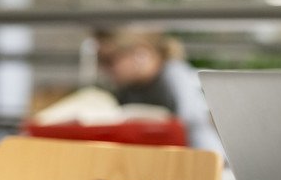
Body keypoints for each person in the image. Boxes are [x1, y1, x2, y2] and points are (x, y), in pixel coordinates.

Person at [95, 28, 225, 155]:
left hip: (197, 158)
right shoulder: (129, 86)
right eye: (99, 60)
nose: (103, 68)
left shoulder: (173, 77)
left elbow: (191, 128)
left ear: (141, 54)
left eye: (109, 60)